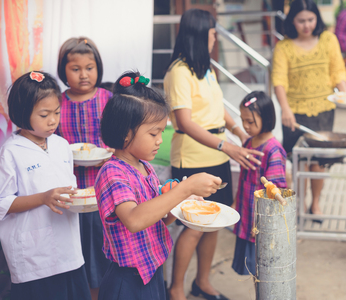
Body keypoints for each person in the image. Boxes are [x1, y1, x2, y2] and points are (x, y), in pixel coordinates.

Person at [163, 8, 264, 300]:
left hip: (217, 158)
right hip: (193, 160)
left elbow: (218, 108)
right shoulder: (179, 72)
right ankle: (176, 289)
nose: (215, 38)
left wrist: (238, 131)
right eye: (211, 33)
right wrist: (228, 146)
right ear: (198, 35)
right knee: (193, 228)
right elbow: (185, 122)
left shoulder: (204, 68)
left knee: (214, 224)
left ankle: (202, 282)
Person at [94, 71, 221, 300]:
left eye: (162, 131)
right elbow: (134, 220)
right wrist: (186, 188)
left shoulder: (145, 167)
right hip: (126, 282)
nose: (160, 140)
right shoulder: (112, 173)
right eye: (154, 133)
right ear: (125, 133)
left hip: (152, 272)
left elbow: (161, 219)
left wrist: (179, 202)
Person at [0, 71, 91, 300]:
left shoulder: (61, 145)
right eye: (44, 114)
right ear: (21, 113)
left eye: (56, 112)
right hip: (34, 255)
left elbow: (69, 187)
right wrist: (43, 198)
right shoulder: (11, 151)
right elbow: (1, 203)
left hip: (68, 247)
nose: (52, 120)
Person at [271, 0, 346, 217]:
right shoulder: (283, 47)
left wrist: (345, 92)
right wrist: (285, 109)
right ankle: (299, 205)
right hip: (294, 114)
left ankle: (316, 203)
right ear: (292, 21)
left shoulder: (328, 39)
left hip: (324, 109)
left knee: (319, 164)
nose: (307, 25)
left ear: (317, 19)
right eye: (301, 21)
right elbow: (279, 80)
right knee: (299, 164)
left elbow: (338, 70)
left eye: (311, 20)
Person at [56, 36, 112, 299]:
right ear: (63, 71)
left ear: (98, 67)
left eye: (89, 67)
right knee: (76, 250)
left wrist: (113, 151)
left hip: (106, 189)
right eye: (75, 69)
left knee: (104, 250)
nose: (83, 75)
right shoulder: (56, 103)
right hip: (72, 193)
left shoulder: (108, 99)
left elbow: (123, 135)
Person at [231, 91, 287, 276]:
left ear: (267, 118)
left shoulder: (273, 151)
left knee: (263, 272)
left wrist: (263, 222)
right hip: (246, 216)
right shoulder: (249, 143)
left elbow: (274, 194)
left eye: (250, 122)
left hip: (259, 222)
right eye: (243, 120)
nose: (245, 126)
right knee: (253, 271)